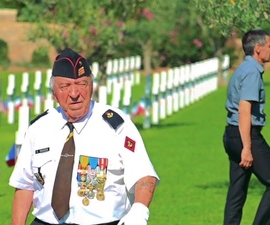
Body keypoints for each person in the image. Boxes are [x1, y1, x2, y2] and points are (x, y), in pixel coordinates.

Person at [9, 48, 159, 225]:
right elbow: (25, 184)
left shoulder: (116, 126)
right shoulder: (39, 128)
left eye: (82, 84)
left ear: (92, 87)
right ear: (54, 93)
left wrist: (139, 212)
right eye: (65, 86)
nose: (74, 94)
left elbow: (144, 175)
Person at [223, 29, 270, 225]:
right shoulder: (252, 73)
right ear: (258, 49)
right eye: (269, 46)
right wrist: (247, 148)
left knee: (237, 191)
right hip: (245, 135)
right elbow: (244, 110)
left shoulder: (242, 69)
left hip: (231, 134)